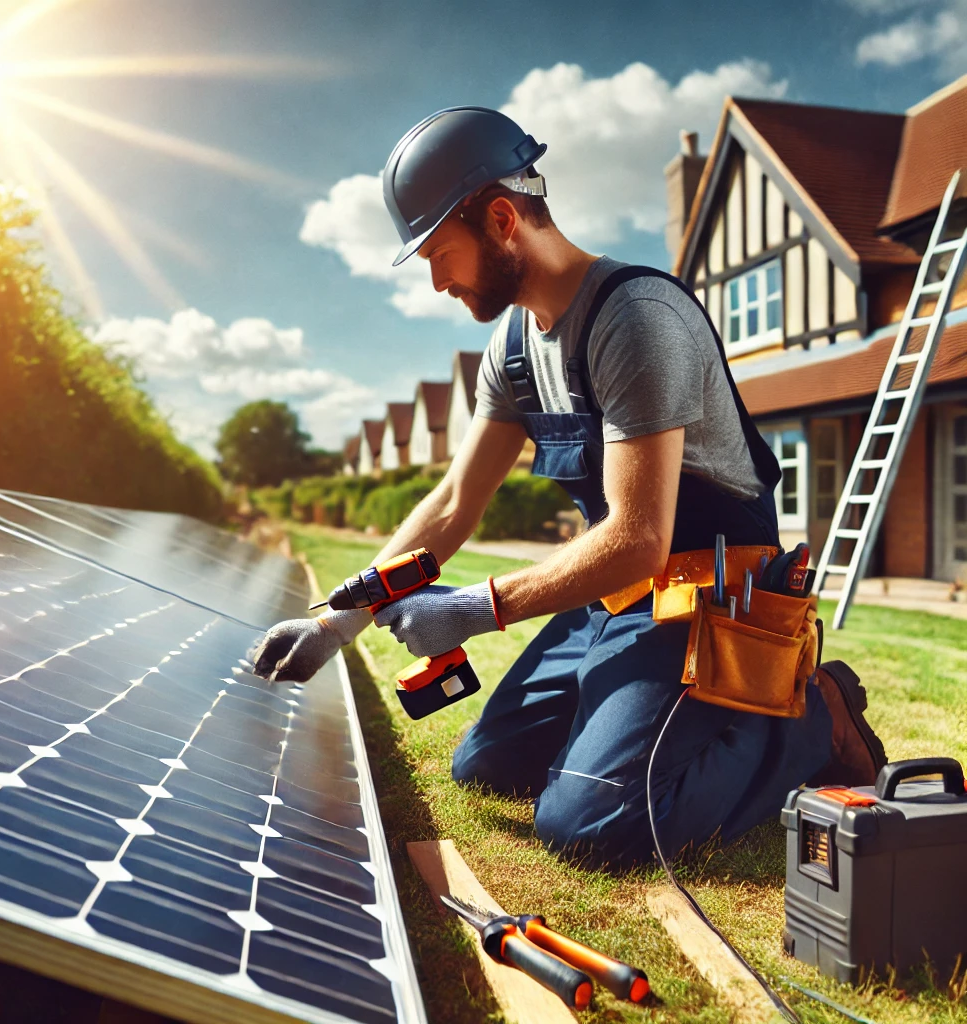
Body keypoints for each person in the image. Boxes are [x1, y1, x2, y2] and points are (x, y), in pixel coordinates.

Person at [252, 106, 886, 867]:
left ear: (499, 219)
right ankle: (634, 719)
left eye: (438, 254)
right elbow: (453, 504)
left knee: (590, 824)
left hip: (710, 597)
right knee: (485, 768)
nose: (435, 280)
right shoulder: (512, 349)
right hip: (616, 598)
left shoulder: (638, 320)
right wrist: (336, 625)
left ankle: (810, 714)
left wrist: (473, 610)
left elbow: (639, 538)